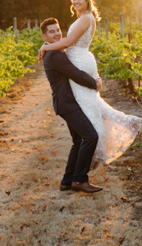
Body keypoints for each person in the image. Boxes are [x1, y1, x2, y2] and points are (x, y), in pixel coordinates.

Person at [39, 0, 142, 169]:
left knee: (88, 107)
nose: (76, 2)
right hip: (81, 57)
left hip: (80, 59)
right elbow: (69, 43)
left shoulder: (85, 18)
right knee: (90, 104)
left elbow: (69, 42)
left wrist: (45, 47)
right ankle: (123, 126)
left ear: (87, 0)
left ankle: (98, 149)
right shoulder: (84, 18)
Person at [40, 17, 104, 193]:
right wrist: (95, 83)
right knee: (91, 136)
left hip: (66, 103)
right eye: (51, 31)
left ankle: (67, 181)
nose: (56, 33)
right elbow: (75, 73)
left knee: (78, 141)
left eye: (58, 29)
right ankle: (79, 179)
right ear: (44, 35)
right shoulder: (54, 55)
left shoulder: (55, 51)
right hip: (67, 104)